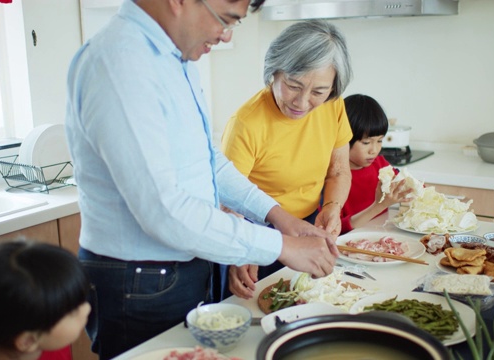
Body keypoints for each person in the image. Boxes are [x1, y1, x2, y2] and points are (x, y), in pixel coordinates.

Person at [64, 0, 339, 358]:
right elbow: (164, 211)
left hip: (181, 267)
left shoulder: (174, 59)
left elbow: (211, 163)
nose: (225, 36)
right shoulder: (120, 64)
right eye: (225, 20)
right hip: (140, 281)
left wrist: (278, 217)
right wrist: (281, 246)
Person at [220, 20, 353, 298]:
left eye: (318, 92)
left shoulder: (333, 105)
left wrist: (332, 206)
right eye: (293, 86)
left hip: (309, 223)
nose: (302, 102)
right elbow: (228, 204)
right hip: (258, 234)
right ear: (273, 73)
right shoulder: (247, 123)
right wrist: (240, 254)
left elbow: (339, 169)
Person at [340, 94, 413, 234]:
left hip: (380, 234)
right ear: (343, 138)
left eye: (379, 141)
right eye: (366, 142)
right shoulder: (332, 176)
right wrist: (379, 206)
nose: (374, 150)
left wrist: (416, 190)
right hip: (350, 243)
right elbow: (337, 227)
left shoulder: (379, 164)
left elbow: (404, 184)